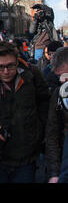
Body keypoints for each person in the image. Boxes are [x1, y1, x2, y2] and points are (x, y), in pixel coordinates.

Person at [0, 40, 50, 183]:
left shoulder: (33, 75)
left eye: (10, 66)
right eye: (0, 67)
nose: (6, 72)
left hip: (26, 157)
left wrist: (38, 130)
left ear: (17, 61)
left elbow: (44, 102)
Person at [45, 46, 68, 183]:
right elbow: (52, 133)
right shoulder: (58, 95)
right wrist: (54, 172)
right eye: (59, 77)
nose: (62, 81)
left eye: (64, 75)